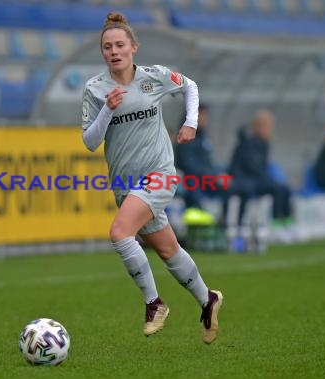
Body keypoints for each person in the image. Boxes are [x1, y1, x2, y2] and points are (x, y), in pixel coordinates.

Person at [81, 12, 223, 343]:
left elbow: (190, 86)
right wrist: (107, 110)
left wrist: (190, 122)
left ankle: (154, 303)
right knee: (167, 248)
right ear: (102, 52)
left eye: (119, 45)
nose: (113, 51)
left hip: (159, 174)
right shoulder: (95, 89)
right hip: (125, 185)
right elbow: (90, 142)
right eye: (107, 47)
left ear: (133, 48)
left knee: (119, 233)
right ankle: (208, 299)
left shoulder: (153, 77)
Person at [228, 110, 293, 231]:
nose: (269, 130)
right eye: (267, 126)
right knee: (278, 189)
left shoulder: (263, 144)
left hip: (256, 180)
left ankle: (287, 223)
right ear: (258, 127)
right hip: (246, 181)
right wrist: (268, 179)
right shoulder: (249, 143)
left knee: (284, 189)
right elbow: (252, 168)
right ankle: (277, 225)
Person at [174, 103, 232, 222]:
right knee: (192, 185)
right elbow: (187, 164)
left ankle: (224, 222)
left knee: (229, 185)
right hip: (190, 178)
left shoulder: (203, 136)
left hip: (206, 177)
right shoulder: (185, 135)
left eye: (205, 115)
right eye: (201, 115)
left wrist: (218, 174)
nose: (203, 118)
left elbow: (208, 162)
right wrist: (212, 175)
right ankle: (199, 220)